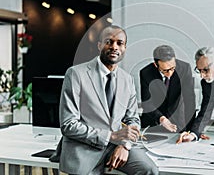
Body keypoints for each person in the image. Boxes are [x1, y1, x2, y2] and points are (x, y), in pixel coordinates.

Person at [58, 25, 158, 175]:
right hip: (84, 148)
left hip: (116, 145)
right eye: (108, 42)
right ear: (99, 45)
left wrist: (125, 145)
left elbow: (133, 119)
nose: (114, 47)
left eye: (120, 43)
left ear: (125, 48)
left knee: (150, 170)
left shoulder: (127, 79)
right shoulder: (75, 74)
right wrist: (110, 136)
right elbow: (68, 124)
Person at [140, 45, 196, 133]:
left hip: (178, 122)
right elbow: (147, 102)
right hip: (152, 122)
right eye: (165, 70)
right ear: (156, 65)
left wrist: (192, 130)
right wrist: (161, 119)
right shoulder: (146, 73)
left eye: (173, 68)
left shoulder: (184, 68)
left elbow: (189, 100)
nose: (170, 73)